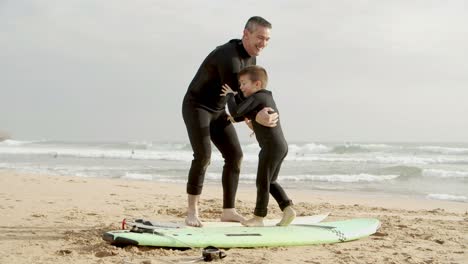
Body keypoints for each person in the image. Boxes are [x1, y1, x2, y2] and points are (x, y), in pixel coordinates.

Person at [182, 16, 278, 227]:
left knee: (235, 155)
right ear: (246, 34)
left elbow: (247, 94)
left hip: (218, 110)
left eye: (267, 39)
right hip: (197, 106)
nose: (263, 43)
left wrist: (258, 115)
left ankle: (228, 211)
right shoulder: (229, 57)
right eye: (259, 37)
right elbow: (239, 97)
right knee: (203, 155)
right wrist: (255, 117)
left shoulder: (251, 58)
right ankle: (192, 211)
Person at [220, 65, 296, 227]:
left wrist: (229, 96)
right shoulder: (263, 98)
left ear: (257, 84)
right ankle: (288, 209)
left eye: (243, 84)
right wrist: (234, 119)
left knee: (262, 182)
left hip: (270, 147)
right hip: (279, 146)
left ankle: (258, 218)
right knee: (271, 181)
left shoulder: (259, 97)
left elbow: (236, 111)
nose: (240, 88)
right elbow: (244, 114)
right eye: (239, 84)